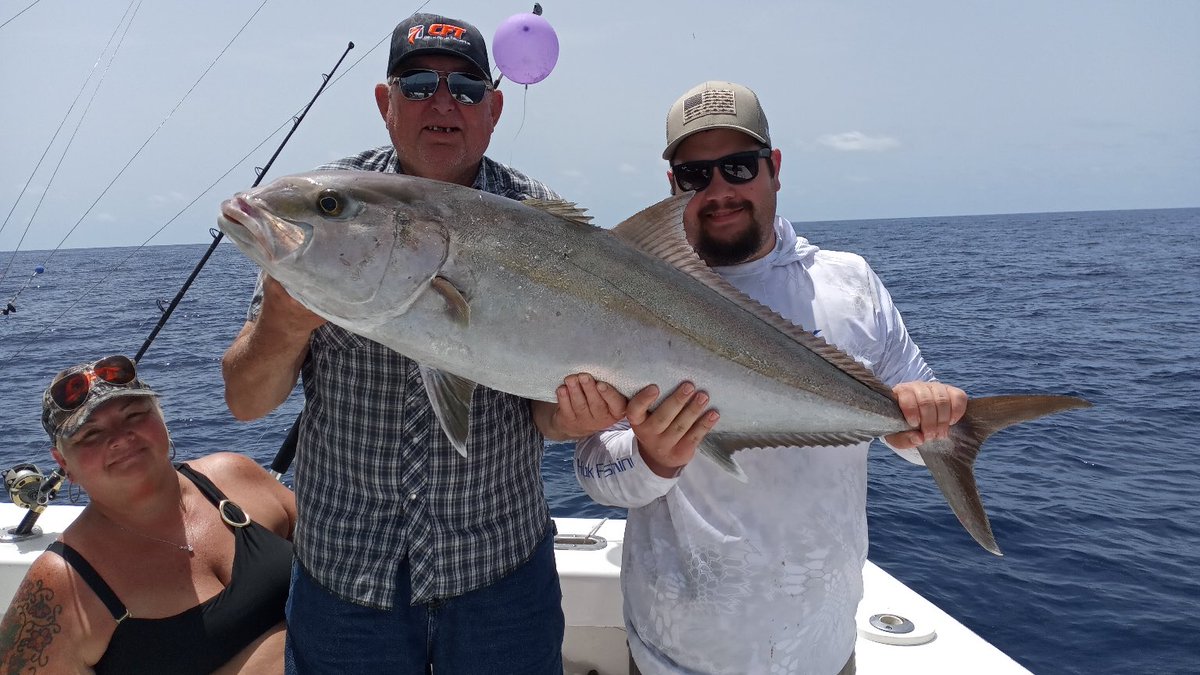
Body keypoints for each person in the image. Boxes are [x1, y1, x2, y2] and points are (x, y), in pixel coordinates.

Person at [220, 12, 621, 674]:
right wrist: (284, 320)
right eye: (417, 84)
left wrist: (575, 414)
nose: (442, 103)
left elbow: (545, 411)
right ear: (385, 103)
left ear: (492, 109)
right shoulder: (328, 206)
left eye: (465, 89)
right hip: (345, 583)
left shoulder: (541, 217)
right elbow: (245, 400)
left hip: (500, 575)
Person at [573, 81, 969, 675]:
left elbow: (924, 446)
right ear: (672, 186)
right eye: (695, 174)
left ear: (774, 168)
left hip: (822, 655)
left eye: (737, 166)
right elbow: (595, 471)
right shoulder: (622, 296)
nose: (719, 191)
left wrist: (932, 417)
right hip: (671, 658)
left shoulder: (850, 285)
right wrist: (651, 458)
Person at [0, 355, 296, 674]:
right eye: (90, 434)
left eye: (135, 416)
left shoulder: (235, 475)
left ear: (161, 417)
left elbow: (341, 556)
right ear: (63, 464)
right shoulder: (60, 583)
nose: (120, 438)